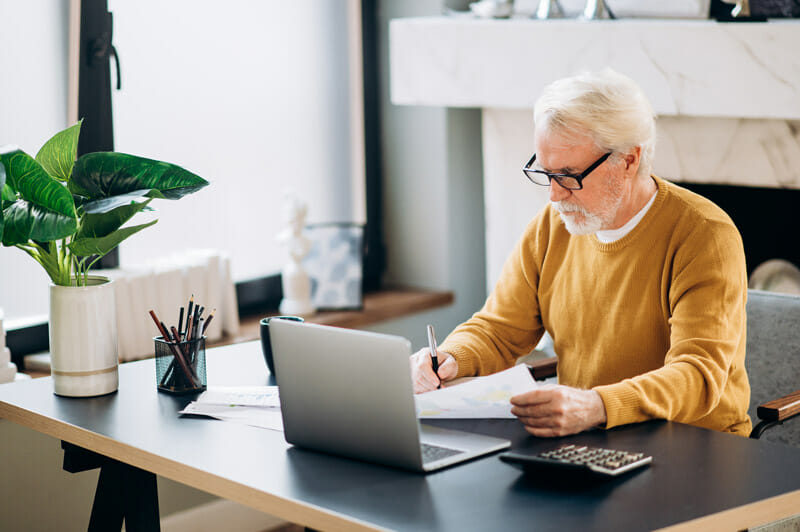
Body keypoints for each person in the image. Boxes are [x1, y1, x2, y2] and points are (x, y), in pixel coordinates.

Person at [410, 69, 751, 438]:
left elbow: (697, 375)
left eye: (569, 175)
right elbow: (499, 330)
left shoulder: (704, 235)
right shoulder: (552, 226)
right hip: (587, 437)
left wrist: (597, 406)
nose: (554, 196)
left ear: (628, 160)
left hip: (694, 445)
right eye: (546, 173)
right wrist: (449, 359)